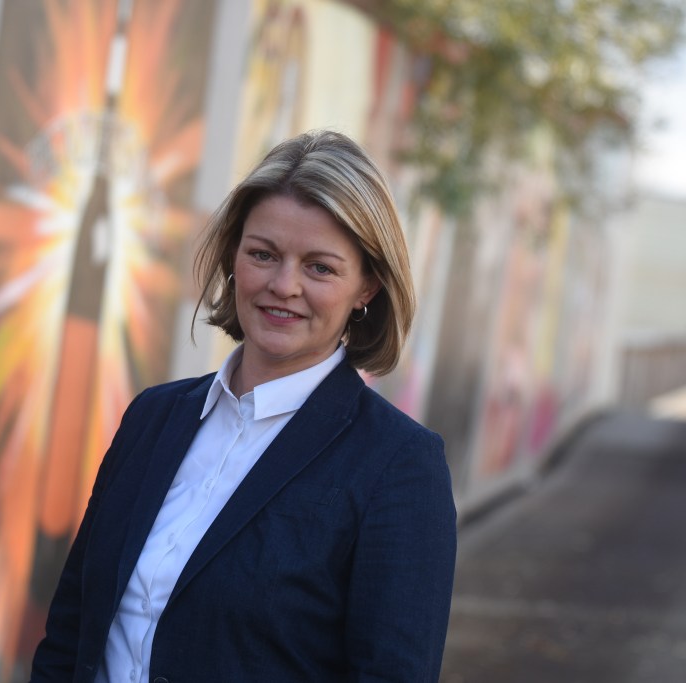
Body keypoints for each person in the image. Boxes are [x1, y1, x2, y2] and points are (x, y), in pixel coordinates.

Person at [30, 130, 456, 682]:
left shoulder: (399, 466)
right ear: (233, 257)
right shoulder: (153, 418)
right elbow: (71, 628)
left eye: (320, 267)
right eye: (263, 254)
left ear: (367, 286)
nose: (284, 285)